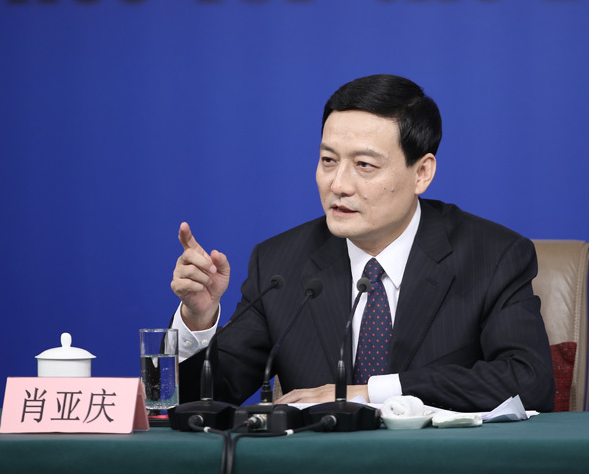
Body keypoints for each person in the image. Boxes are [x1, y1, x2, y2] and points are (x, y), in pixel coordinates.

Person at [170, 74, 554, 412]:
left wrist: (373, 393)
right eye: (328, 160)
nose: (338, 185)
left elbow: (529, 381)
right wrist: (198, 321)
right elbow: (200, 400)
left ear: (422, 173)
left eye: (364, 165)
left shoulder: (492, 256)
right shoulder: (279, 264)